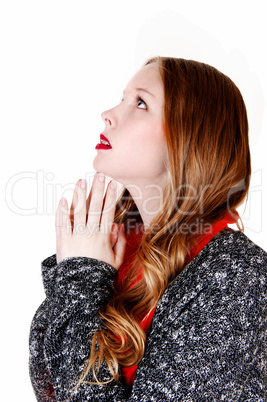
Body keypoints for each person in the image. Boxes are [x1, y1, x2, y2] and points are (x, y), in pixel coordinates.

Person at [29, 57, 267, 401]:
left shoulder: (240, 278)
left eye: (140, 103)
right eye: (124, 98)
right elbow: (51, 384)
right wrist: (79, 274)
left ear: (189, 138)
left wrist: (80, 278)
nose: (108, 114)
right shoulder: (111, 250)